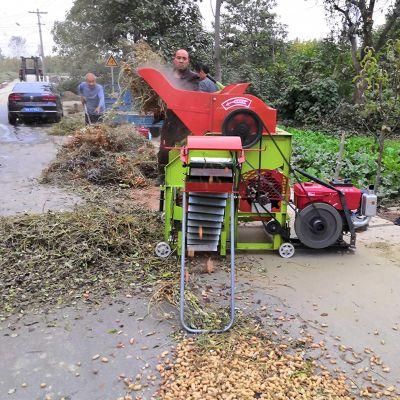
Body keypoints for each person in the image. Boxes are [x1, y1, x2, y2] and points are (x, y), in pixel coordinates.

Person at [157, 49, 199, 182]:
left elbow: (194, 97)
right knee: (164, 148)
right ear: (174, 59)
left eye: (184, 58)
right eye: (179, 58)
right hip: (169, 119)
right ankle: (162, 175)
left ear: (188, 61)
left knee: (185, 148)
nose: (181, 61)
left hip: (185, 121)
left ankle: (184, 175)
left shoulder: (193, 77)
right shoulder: (165, 76)